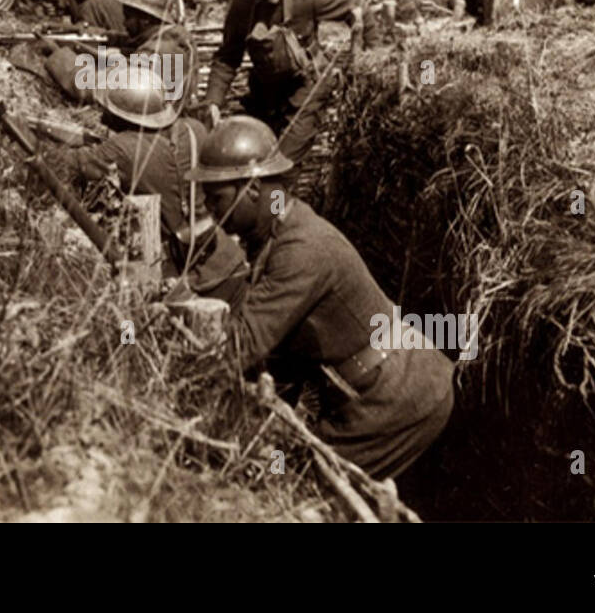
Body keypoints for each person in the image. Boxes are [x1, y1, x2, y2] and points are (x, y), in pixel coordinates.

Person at [182, 115, 455, 480]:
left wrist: (181, 374)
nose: (212, 213)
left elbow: (242, 345)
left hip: (396, 397)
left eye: (217, 199)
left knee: (304, 493)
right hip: (379, 385)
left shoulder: (302, 249)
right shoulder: (278, 234)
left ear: (250, 189)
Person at [61, 66, 247, 299]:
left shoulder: (122, 149)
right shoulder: (195, 129)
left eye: (109, 111)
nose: (102, 116)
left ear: (124, 116)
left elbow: (66, 166)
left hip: (178, 279)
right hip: (225, 260)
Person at [199, 0, 362, 167]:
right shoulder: (242, 6)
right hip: (267, 94)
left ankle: (278, 202)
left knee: (283, 167)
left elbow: (357, 4)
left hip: (306, 90)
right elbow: (227, 58)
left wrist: (368, 53)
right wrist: (213, 102)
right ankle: (269, 202)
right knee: (249, 159)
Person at [41, 0, 197, 106]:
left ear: (145, 20)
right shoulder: (171, 36)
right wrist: (89, 33)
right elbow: (128, 41)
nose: (124, 23)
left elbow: (98, 89)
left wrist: (59, 56)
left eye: (128, 17)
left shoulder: (156, 53)